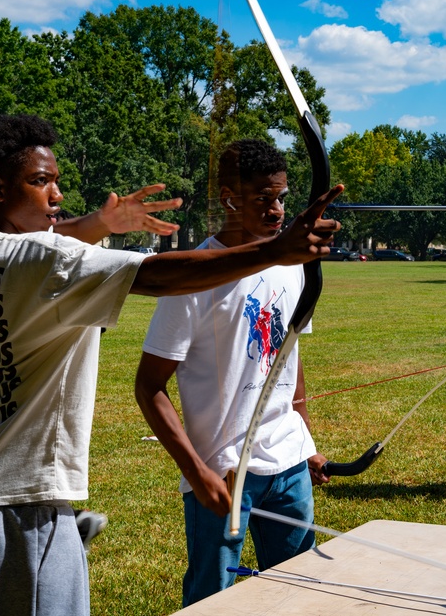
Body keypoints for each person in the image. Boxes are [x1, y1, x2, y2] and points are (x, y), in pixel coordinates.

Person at [0, 114, 342, 616]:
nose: (58, 195)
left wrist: (101, 224)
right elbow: (157, 276)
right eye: (41, 183)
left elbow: (49, 240)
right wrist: (277, 251)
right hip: (23, 507)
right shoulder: (44, 263)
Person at [135, 139, 330, 605]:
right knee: (211, 596)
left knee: (298, 590)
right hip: (223, 472)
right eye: (263, 198)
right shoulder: (193, 277)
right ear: (230, 200)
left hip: (287, 461)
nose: (277, 209)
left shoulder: (294, 265)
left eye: (282, 197)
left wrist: (307, 442)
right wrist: (197, 471)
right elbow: (149, 386)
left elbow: (287, 356)